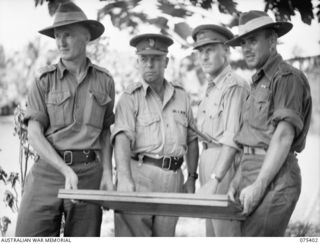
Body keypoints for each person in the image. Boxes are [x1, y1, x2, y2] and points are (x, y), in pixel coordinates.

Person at [15, 2, 115, 236]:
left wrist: (109, 176)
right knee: (27, 237)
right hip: (48, 170)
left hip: (89, 173)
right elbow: (34, 133)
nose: (61, 42)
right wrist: (65, 170)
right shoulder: (44, 79)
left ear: (86, 36)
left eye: (67, 35)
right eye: (58, 36)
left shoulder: (105, 81)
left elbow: (105, 132)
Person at [226, 10, 312, 236]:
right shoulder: (258, 82)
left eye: (253, 40)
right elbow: (253, 135)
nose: (246, 48)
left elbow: (283, 136)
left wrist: (259, 185)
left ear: (272, 41)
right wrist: (238, 177)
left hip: (276, 176)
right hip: (251, 170)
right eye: (243, 42)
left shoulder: (286, 77)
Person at [111, 33, 199, 237]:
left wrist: (192, 177)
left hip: (173, 180)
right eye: (144, 59)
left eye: (155, 59)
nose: (149, 64)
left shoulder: (182, 97)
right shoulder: (129, 98)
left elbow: (192, 140)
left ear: (166, 61)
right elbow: (122, 138)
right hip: (139, 177)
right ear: (138, 63)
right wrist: (124, 178)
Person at [191, 25, 249, 236]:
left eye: (210, 50)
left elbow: (232, 137)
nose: (204, 57)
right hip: (209, 160)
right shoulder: (212, 87)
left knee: (226, 232)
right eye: (200, 51)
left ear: (226, 51)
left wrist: (216, 178)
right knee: (212, 233)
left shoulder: (234, 86)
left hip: (224, 165)